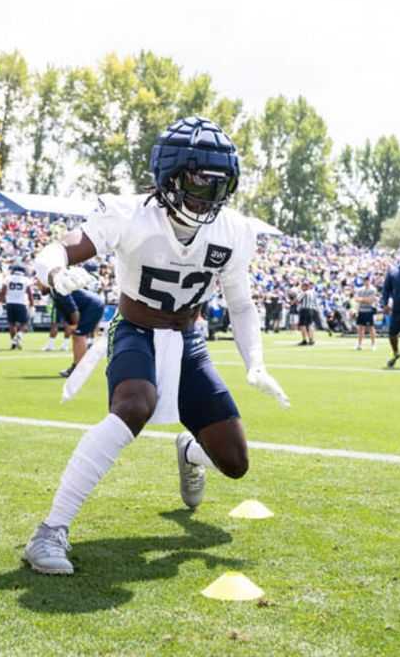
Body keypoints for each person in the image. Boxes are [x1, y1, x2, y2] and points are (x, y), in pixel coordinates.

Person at [21, 116, 290, 575]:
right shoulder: (130, 214)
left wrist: (256, 364)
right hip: (136, 329)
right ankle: (50, 531)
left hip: (189, 342)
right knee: (134, 404)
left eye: (218, 188)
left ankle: (189, 451)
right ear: (169, 177)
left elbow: (241, 306)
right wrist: (52, 271)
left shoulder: (233, 231)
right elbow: (62, 247)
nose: (208, 199)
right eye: (199, 185)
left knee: (236, 461)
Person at [44, 279, 105, 378]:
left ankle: (78, 370)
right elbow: (67, 311)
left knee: (78, 336)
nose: (37, 286)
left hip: (93, 306)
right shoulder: (54, 291)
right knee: (77, 336)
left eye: (39, 283)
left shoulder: (57, 290)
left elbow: (73, 310)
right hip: (92, 305)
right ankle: (77, 368)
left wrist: (75, 324)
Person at [0, 264, 32, 350]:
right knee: (24, 323)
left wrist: (0, 303)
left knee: (12, 323)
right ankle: (18, 336)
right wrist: (32, 305)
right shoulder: (26, 280)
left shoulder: (8, 278)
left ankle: (13, 342)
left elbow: (3, 291)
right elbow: (29, 293)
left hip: (10, 302)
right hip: (21, 303)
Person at [354, 278, 379, 350]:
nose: (364, 282)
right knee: (361, 328)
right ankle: (359, 345)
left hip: (369, 310)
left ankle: (373, 345)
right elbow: (356, 299)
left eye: (365, 280)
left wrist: (362, 299)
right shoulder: (360, 289)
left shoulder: (372, 289)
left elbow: (370, 300)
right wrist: (364, 299)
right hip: (361, 310)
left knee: (371, 327)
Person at [294, 279, 319, 346]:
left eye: (303, 286)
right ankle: (311, 340)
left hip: (304, 310)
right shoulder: (312, 293)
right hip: (310, 309)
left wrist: (295, 298)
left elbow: (297, 300)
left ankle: (304, 340)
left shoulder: (303, 293)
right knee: (310, 325)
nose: (302, 287)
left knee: (303, 325)